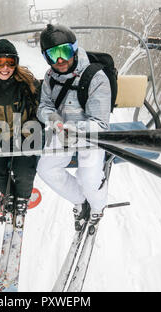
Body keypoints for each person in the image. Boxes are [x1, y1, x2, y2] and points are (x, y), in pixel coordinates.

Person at [36, 24, 111, 231]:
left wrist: (74, 130)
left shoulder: (95, 76)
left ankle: (97, 206)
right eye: (53, 55)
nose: (60, 60)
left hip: (90, 135)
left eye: (65, 51)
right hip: (61, 131)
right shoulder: (50, 77)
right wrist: (52, 118)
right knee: (46, 169)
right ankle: (80, 200)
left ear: (75, 49)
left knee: (88, 178)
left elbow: (101, 123)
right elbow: (44, 105)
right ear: (46, 57)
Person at [0, 39, 40, 215]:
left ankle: (23, 198)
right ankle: (10, 194)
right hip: (0, 135)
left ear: (16, 63)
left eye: (10, 62)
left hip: (25, 135)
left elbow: (40, 109)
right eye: (0, 62)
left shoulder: (27, 83)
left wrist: (29, 132)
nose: (5, 68)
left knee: (24, 170)